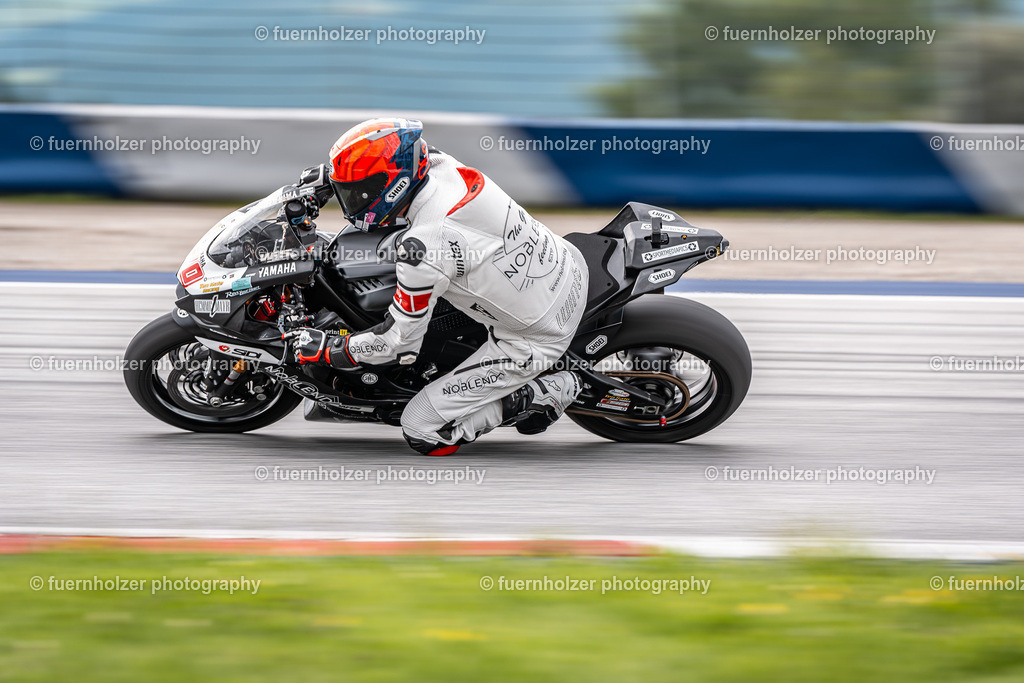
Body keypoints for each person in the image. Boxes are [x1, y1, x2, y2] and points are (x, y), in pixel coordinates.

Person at [288, 118, 587, 455]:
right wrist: (327, 182)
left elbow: (399, 346)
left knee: (421, 429)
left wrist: (330, 349)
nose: (351, 201)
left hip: (536, 334)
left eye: (358, 192)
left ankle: (543, 392)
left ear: (393, 187)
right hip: (565, 262)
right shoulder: (438, 163)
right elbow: (388, 158)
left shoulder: (425, 246)